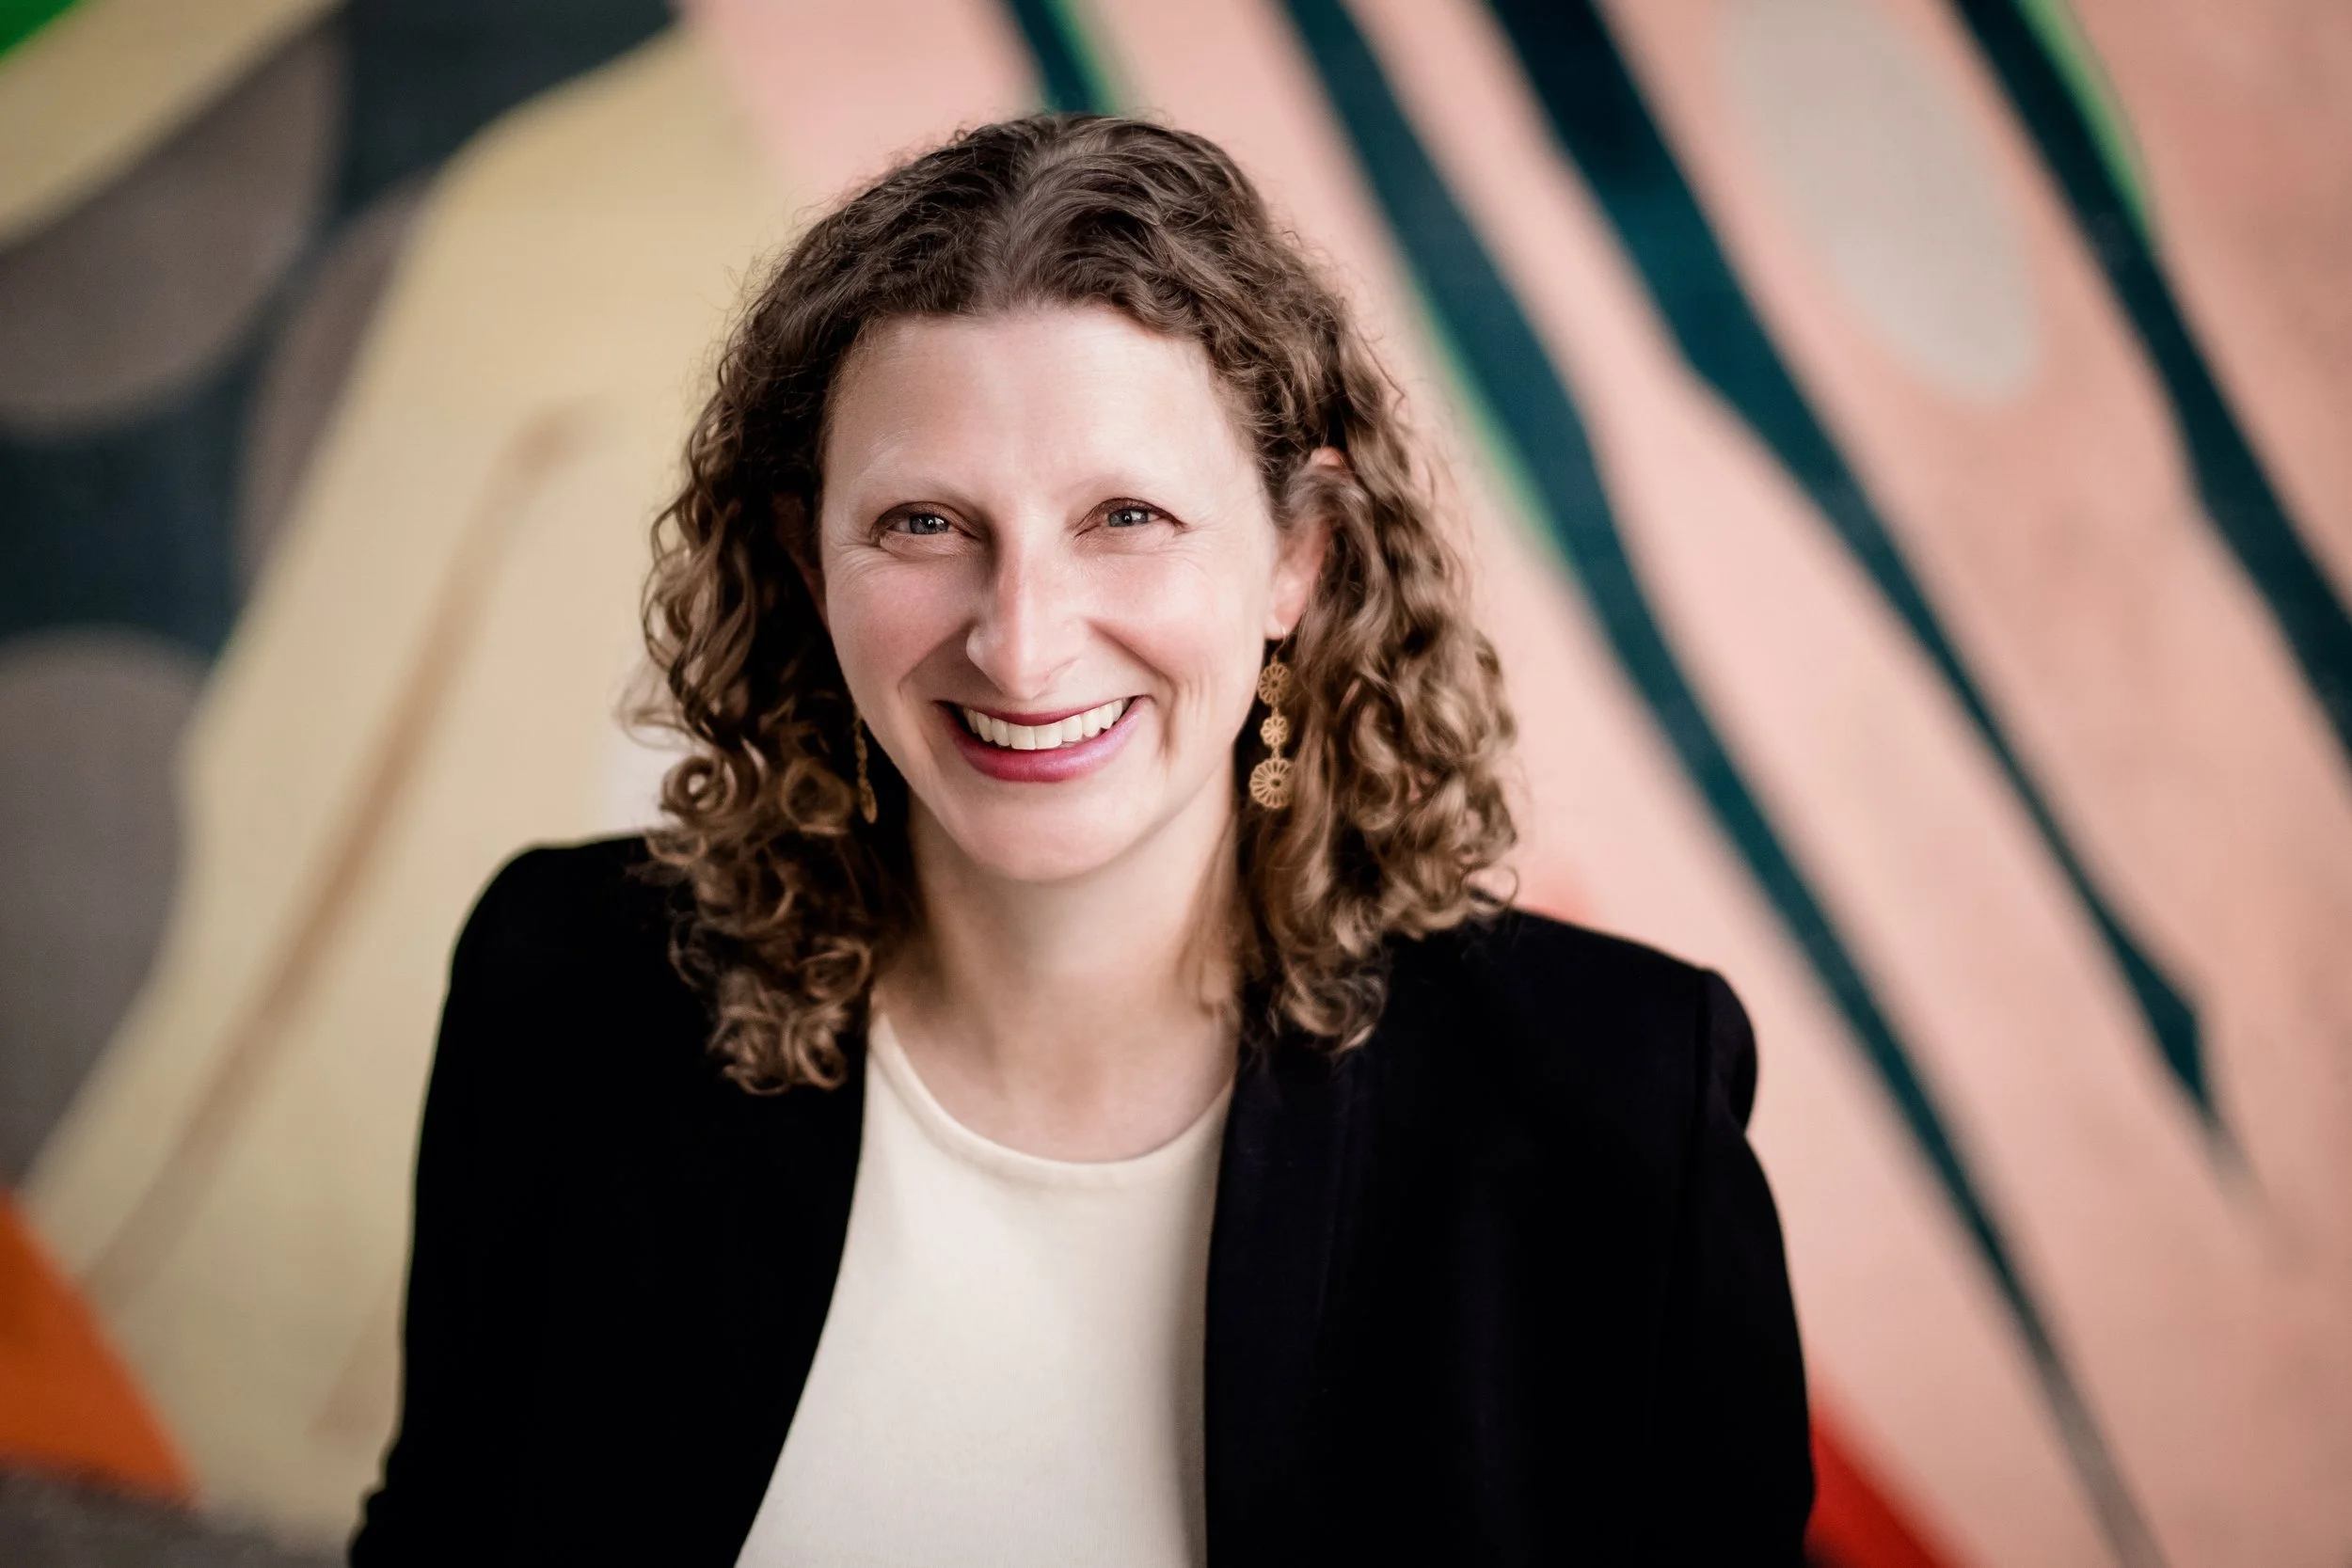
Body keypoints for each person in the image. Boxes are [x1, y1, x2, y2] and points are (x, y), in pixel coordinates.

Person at [349, 113, 1811, 1567]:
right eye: (924, 522)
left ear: (1298, 558)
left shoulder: (1612, 1103)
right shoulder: (570, 989)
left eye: (1124, 513)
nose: (1024, 644)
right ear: (808, 560)